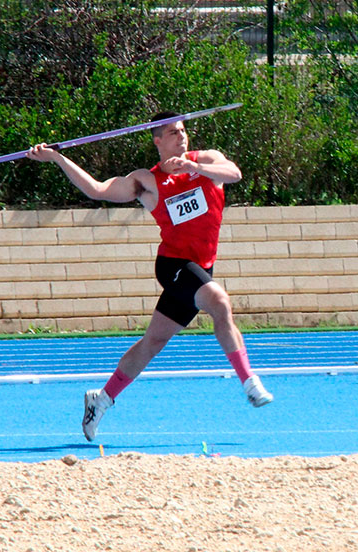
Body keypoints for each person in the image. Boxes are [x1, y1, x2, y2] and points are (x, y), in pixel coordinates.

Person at [26, 112, 273, 441]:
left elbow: (235, 173)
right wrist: (57, 157)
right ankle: (250, 384)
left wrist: (195, 168)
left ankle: (101, 398)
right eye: (172, 133)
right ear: (157, 140)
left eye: (183, 131)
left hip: (200, 268)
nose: (181, 138)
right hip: (173, 266)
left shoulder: (207, 161)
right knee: (220, 303)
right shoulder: (147, 180)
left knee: (153, 342)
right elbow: (97, 190)